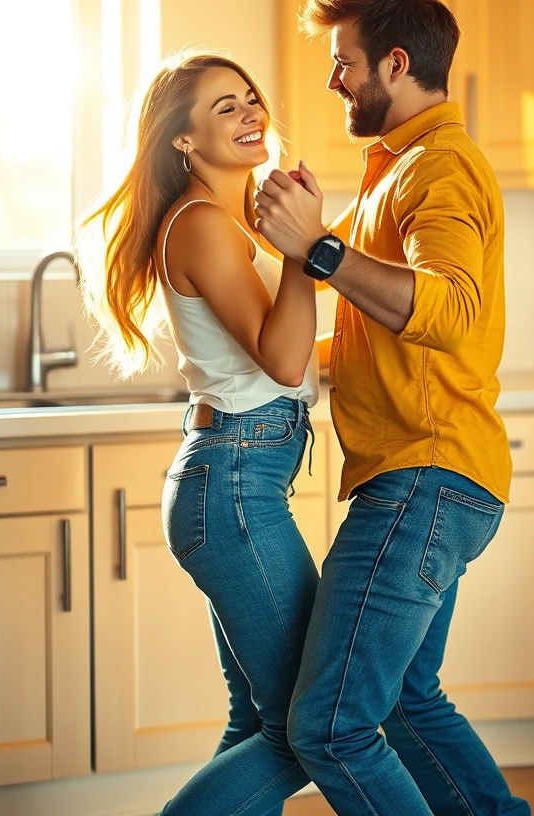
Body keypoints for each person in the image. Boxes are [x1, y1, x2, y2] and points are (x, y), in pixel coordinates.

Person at [254, 0, 532, 815]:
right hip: (433, 478)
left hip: (425, 479)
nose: (334, 81)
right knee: (408, 701)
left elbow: (448, 310)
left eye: (344, 63)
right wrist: (278, 356)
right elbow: (385, 335)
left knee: (332, 728)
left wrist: (321, 251)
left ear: (395, 63)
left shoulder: (439, 167)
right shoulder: (401, 168)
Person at [79, 51, 321, 815]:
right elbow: (284, 360)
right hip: (235, 487)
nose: (251, 114)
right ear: (182, 139)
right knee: (305, 730)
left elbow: (284, 357)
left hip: (236, 483)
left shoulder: (223, 223)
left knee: (258, 722)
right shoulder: (204, 223)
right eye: (225, 106)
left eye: (251, 98)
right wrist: (307, 252)